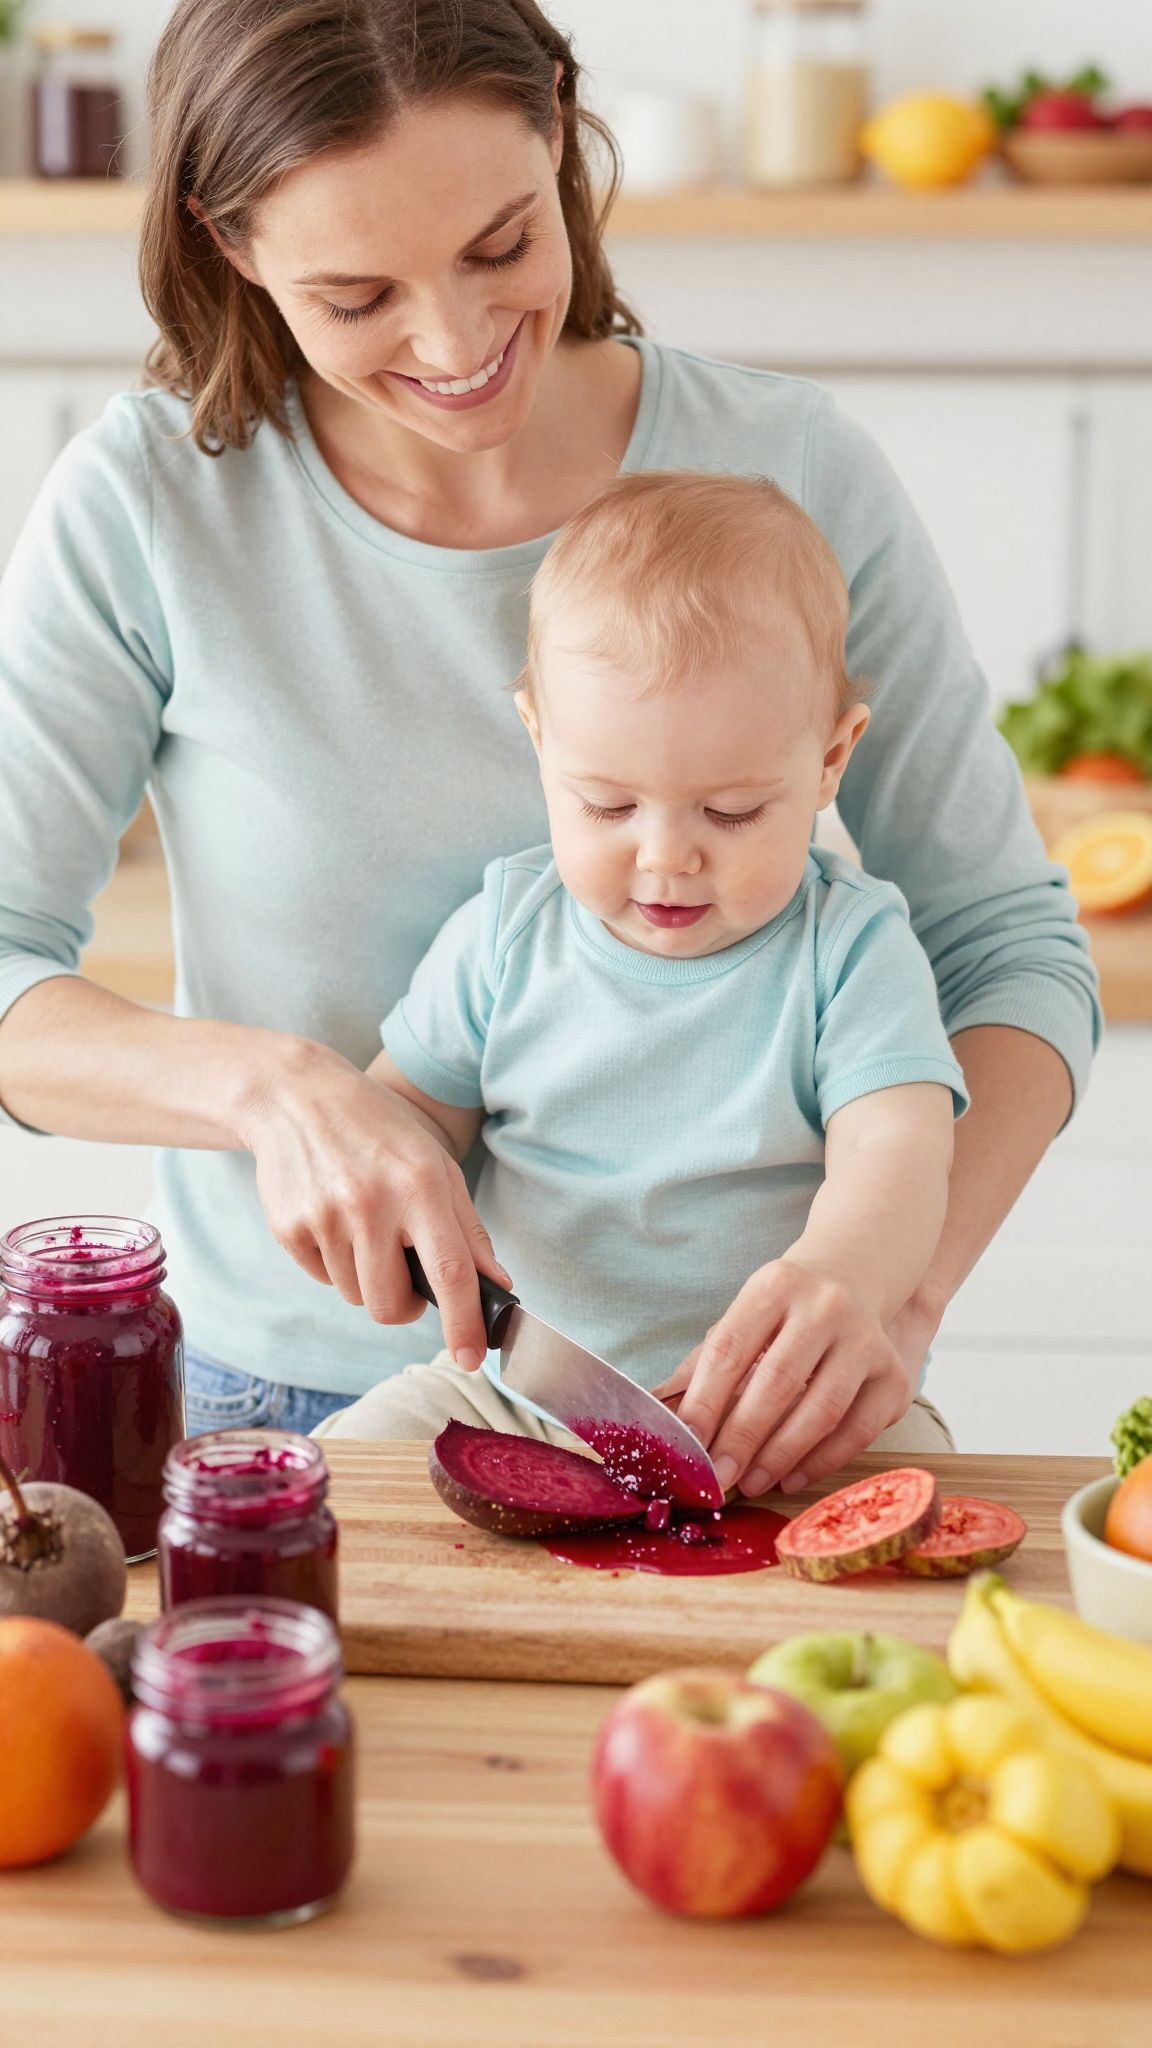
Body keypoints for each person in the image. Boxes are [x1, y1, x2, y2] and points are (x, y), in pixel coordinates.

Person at [0, 0, 1096, 1488]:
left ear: (563, 129)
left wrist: (892, 1281)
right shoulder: (148, 500)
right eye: (357, 293)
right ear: (231, 246)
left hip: (743, 1410)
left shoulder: (788, 470)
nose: (454, 344)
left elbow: (1009, 943)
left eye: (502, 245)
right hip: (297, 1403)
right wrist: (277, 1090)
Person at [315, 471, 968, 1493]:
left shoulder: (852, 947)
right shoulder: (504, 931)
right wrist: (382, 1189)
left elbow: (900, 1151)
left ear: (832, 757)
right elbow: (405, 1115)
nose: (666, 859)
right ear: (539, 737)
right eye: (608, 805)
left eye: (734, 811)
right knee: (345, 1472)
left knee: (923, 1482)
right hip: (515, 1396)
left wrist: (844, 1271)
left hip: (789, 1408)